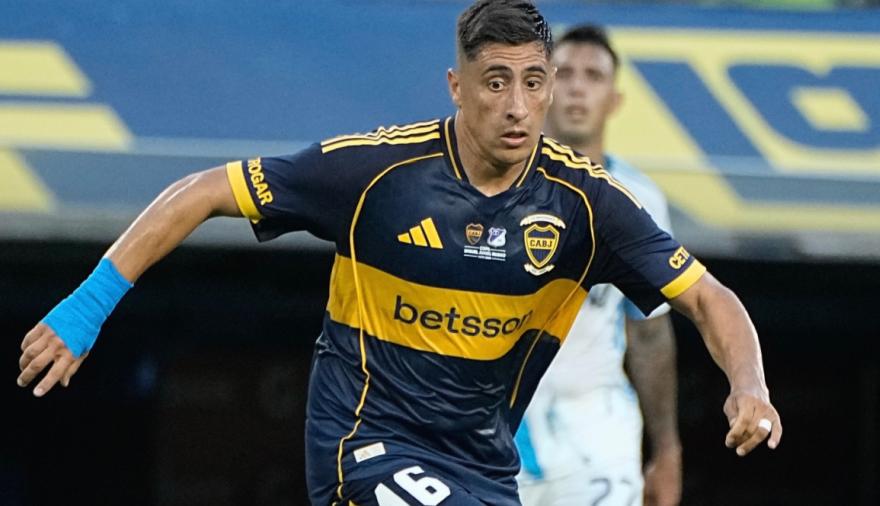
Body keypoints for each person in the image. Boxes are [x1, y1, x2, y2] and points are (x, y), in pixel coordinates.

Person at [16, 1, 781, 505]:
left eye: (532, 83)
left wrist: (748, 385)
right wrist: (88, 307)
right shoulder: (375, 173)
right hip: (364, 441)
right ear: (456, 86)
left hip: (484, 467)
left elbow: (708, 297)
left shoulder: (588, 205)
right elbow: (202, 190)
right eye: (495, 82)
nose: (516, 106)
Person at [515, 25, 682, 506]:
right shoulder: (494, 185)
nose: (577, 88)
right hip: (498, 421)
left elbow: (649, 333)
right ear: (543, 88)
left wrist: (666, 449)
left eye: (593, 76)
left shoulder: (641, 199)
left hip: (598, 421)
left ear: (614, 99)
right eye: (564, 73)